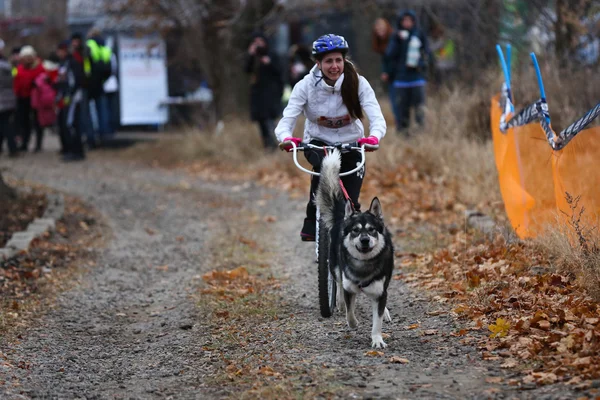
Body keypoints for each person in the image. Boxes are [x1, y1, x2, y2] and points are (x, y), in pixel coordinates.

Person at [274, 34, 387, 241]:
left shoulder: (358, 83)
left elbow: (377, 118)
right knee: (322, 169)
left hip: (351, 144)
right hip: (318, 142)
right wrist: (287, 138)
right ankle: (313, 216)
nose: (334, 66)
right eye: (328, 61)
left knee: (349, 204)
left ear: (344, 60)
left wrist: (374, 137)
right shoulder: (305, 86)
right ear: (318, 63)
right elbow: (286, 120)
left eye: (338, 60)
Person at [383, 10, 430, 135]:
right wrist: (398, 41)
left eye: (409, 20)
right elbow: (389, 55)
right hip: (401, 79)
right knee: (402, 110)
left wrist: (421, 65)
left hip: (417, 78)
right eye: (404, 20)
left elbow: (427, 54)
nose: (407, 23)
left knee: (419, 109)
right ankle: (404, 134)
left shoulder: (419, 35)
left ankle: (421, 133)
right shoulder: (396, 37)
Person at [245, 32, 283, 150]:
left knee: (270, 121)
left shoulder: (272, 55)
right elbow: (247, 70)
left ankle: (275, 144)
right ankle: (267, 145)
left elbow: (280, 72)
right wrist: (250, 55)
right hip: (258, 95)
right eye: (255, 42)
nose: (258, 45)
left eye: (260, 42)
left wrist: (269, 63)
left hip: (270, 95)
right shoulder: (254, 57)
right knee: (261, 122)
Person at [13, 45, 45, 152]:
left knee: (37, 121)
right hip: (23, 98)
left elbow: (43, 82)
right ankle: (25, 143)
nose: (27, 59)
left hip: (36, 98)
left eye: (29, 56)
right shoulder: (20, 68)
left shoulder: (39, 67)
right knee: (24, 122)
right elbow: (17, 82)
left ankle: (38, 144)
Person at [371, 18, 397, 126]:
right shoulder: (381, 43)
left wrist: (387, 71)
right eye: (377, 28)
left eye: (381, 27)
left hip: (398, 75)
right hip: (391, 76)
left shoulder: (394, 39)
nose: (379, 30)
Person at [0, 40, 18, 157]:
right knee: (5, 123)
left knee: (4, 124)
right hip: (9, 98)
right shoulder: (7, 64)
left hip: (2, 100)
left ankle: (12, 148)